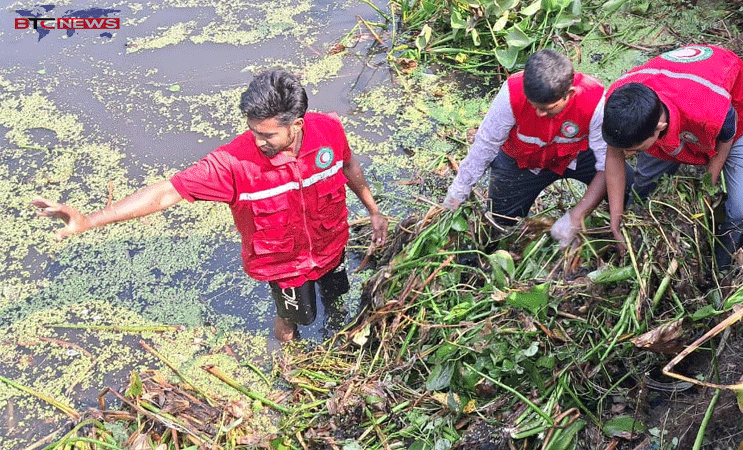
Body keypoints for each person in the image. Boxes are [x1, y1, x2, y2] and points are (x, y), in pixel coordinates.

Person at [33, 69, 388, 342]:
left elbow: (348, 165)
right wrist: (91, 220)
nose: (258, 141)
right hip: (286, 267)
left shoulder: (328, 130)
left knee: (336, 293)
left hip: (331, 246)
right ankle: (290, 365)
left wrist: (372, 210)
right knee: (295, 318)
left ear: (296, 124)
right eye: (253, 131)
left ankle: (336, 326)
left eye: (268, 135)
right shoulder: (232, 164)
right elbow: (166, 192)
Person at [442, 49, 632, 247]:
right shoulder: (511, 95)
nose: (539, 113)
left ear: (570, 94)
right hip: (522, 161)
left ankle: (618, 230)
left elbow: (607, 164)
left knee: (627, 184)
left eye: (548, 108)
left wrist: (576, 216)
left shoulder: (594, 101)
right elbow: (485, 145)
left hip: (575, 156)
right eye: (534, 106)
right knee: (499, 224)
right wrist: (459, 189)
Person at [602, 44, 743, 270]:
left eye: (635, 149)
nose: (627, 155)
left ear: (659, 127)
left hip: (735, 113)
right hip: (680, 99)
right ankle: (632, 240)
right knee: (643, 186)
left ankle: (720, 266)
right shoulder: (620, 103)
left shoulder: (709, 109)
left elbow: (727, 134)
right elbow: (614, 154)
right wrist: (616, 220)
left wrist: (707, 185)